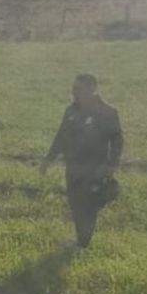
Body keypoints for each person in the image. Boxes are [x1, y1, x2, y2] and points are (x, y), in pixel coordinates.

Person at [40, 73, 122, 248]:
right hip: (73, 167)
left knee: (88, 206)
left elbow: (117, 141)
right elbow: (60, 136)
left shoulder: (107, 112)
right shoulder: (71, 110)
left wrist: (110, 165)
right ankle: (80, 239)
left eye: (78, 89)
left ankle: (83, 243)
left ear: (92, 89)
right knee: (75, 204)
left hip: (94, 169)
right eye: (73, 89)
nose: (74, 93)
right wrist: (48, 159)